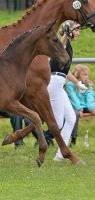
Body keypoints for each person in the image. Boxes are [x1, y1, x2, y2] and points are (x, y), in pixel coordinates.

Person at [47, 20, 88, 161]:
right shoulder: (62, 42)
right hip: (54, 82)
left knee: (71, 118)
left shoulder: (69, 46)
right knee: (58, 123)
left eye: (78, 31)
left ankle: (60, 155)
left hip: (59, 82)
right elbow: (60, 45)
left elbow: (65, 71)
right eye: (76, 30)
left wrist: (77, 83)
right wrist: (66, 33)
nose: (78, 33)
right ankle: (32, 131)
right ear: (68, 30)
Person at [65, 64, 95, 147]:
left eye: (87, 74)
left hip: (86, 105)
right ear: (77, 74)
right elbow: (73, 98)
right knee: (75, 114)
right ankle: (73, 138)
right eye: (84, 74)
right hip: (74, 106)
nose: (87, 76)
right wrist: (79, 109)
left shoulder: (88, 84)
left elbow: (90, 97)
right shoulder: (70, 85)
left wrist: (92, 108)